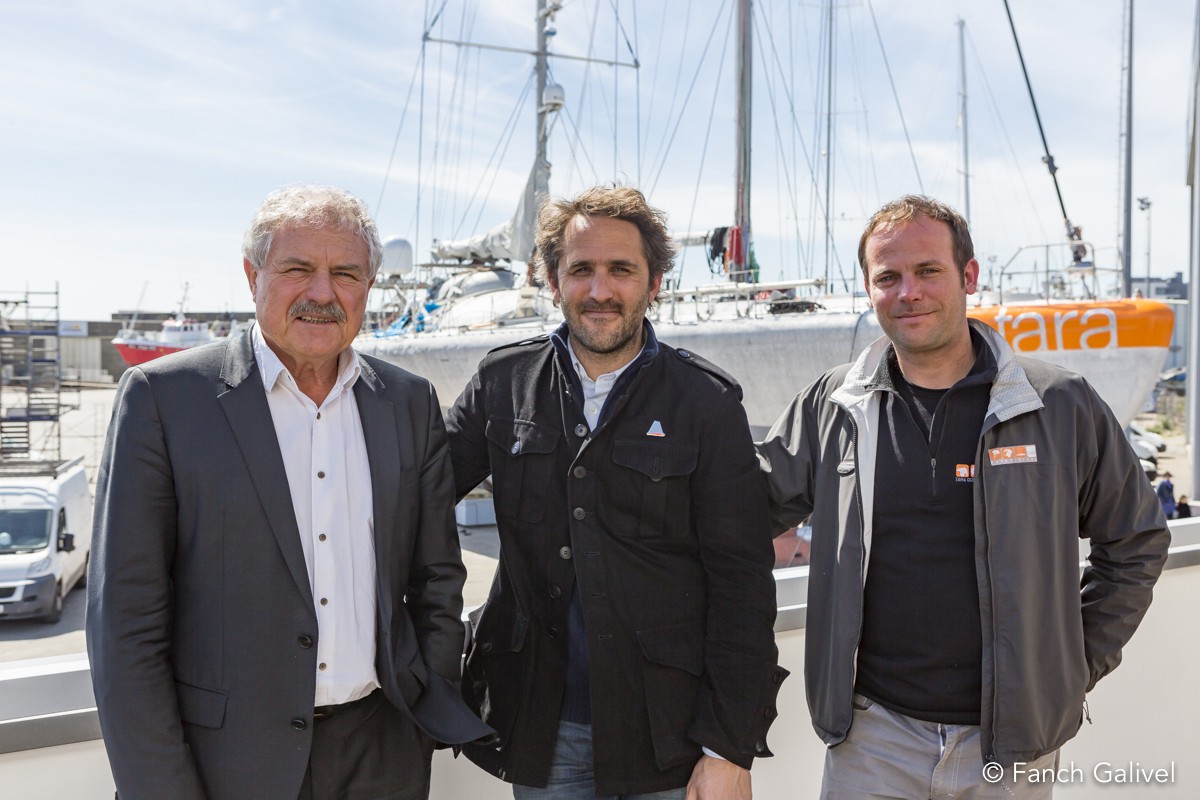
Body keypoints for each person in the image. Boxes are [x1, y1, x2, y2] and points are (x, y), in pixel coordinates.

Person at [756, 195, 1170, 799]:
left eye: (928, 271)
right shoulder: (832, 406)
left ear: (969, 276)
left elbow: (1135, 541)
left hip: (1010, 745)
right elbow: (744, 506)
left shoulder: (1059, 403)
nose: (908, 293)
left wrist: (1071, 667)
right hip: (871, 740)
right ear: (869, 289)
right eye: (887, 278)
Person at [86, 185, 490, 800]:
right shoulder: (163, 400)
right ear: (253, 276)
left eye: (345, 273)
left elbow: (435, 576)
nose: (322, 293)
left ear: (369, 286)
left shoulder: (409, 403)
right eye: (298, 269)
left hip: (384, 754)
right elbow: (126, 623)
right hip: (224, 762)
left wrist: (426, 699)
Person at [446, 185, 786, 799]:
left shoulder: (706, 402)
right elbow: (411, 493)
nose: (600, 290)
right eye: (581, 269)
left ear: (654, 282)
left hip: (668, 735)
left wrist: (730, 745)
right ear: (552, 281)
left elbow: (743, 583)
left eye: (621, 270)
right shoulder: (502, 383)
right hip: (542, 728)